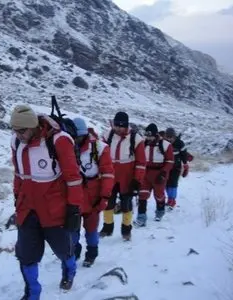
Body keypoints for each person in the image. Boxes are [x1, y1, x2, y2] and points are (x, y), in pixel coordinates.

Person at [10, 105, 84, 299]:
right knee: (26, 255)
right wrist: (17, 198)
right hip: (28, 209)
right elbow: (18, 174)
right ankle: (32, 292)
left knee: (64, 250)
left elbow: (73, 178)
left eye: (21, 130)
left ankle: (69, 271)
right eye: (14, 130)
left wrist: (74, 208)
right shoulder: (17, 142)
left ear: (33, 126)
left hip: (55, 210)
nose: (18, 135)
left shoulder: (59, 141)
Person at [71, 117, 114, 267]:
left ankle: (92, 253)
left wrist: (104, 196)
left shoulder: (100, 148)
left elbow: (108, 174)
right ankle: (74, 251)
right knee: (72, 228)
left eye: (78, 137)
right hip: (73, 196)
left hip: (93, 196)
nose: (76, 140)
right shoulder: (64, 147)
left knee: (91, 228)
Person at [99, 112, 146, 240]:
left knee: (126, 203)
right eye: (116, 126)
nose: (118, 129)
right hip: (110, 173)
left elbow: (141, 162)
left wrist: (137, 180)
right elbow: (100, 153)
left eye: (121, 126)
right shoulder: (107, 135)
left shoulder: (136, 139)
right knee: (108, 201)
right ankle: (107, 227)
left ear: (126, 126)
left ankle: (126, 230)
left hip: (127, 175)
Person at [134, 123, 174, 226]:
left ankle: (160, 212)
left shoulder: (165, 145)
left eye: (150, 135)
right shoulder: (142, 144)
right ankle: (141, 218)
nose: (148, 138)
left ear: (155, 134)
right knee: (142, 195)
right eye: (147, 135)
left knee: (159, 195)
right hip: (145, 173)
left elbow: (170, 161)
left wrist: (164, 173)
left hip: (159, 174)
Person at [164, 127, 189, 209]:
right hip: (166, 167)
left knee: (173, 184)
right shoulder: (164, 143)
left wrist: (185, 165)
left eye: (171, 137)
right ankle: (169, 199)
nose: (169, 139)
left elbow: (184, 155)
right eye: (168, 137)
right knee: (166, 184)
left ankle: (172, 201)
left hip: (176, 167)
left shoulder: (180, 143)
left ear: (174, 136)